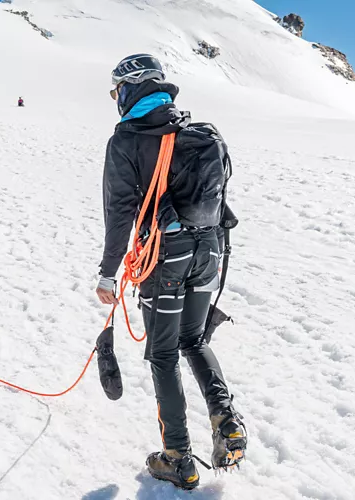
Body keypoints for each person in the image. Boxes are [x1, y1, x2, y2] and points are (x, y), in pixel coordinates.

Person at [96, 54, 246, 489]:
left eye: (115, 90)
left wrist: (109, 273)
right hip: (210, 250)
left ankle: (178, 456)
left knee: (163, 353)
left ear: (130, 88)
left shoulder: (126, 141)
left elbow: (120, 211)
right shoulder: (198, 132)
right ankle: (227, 424)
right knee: (193, 340)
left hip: (164, 255)